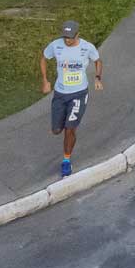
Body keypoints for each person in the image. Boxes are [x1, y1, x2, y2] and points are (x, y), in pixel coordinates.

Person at [40, 20, 102, 178]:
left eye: (70, 37)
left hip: (78, 94)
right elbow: (43, 58)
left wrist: (97, 78)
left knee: (70, 129)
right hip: (60, 94)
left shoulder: (86, 47)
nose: (67, 40)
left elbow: (97, 61)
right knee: (56, 130)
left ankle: (66, 161)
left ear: (77, 35)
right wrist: (45, 80)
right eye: (65, 37)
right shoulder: (56, 46)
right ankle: (65, 129)